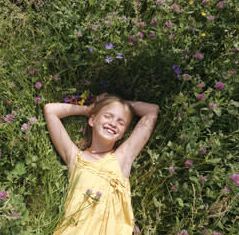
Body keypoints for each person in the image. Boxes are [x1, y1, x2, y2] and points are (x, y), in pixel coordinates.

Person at [44, 93, 159, 235]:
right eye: (108, 116)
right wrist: (88, 109)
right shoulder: (75, 159)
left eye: (121, 122)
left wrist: (122, 103)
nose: (113, 123)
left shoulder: (122, 158)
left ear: (122, 134)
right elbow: (50, 110)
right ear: (92, 120)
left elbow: (152, 111)